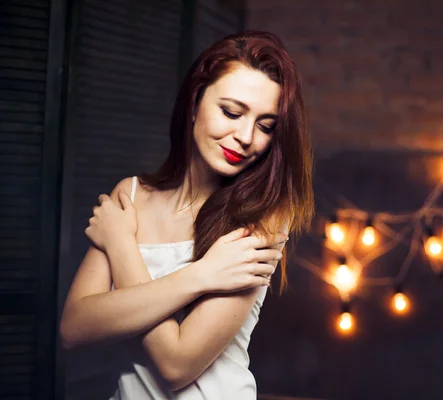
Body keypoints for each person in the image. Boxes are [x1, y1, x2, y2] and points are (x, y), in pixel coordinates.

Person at [59, 30, 314, 399]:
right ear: (195, 102)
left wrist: (120, 244)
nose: (245, 136)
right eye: (231, 112)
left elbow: (176, 363)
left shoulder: (262, 219)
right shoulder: (130, 194)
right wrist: (204, 274)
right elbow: (74, 327)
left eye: (265, 126)